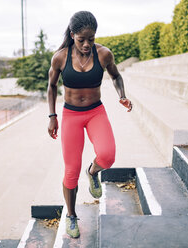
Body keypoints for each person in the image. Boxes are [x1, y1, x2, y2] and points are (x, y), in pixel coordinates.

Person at [47, 10, 132, 238]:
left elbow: (116, 76)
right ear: (72, 34)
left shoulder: (104, 54)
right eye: (81, 39)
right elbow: (52, 86)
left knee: (108, 155)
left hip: (96, 112)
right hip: (71, 115)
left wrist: (122, 94)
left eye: (91, 39)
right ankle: (72, 215)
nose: (86, 44)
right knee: (70, 171)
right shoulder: (60, 57)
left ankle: (93, 172)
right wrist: (52, 116)